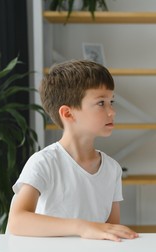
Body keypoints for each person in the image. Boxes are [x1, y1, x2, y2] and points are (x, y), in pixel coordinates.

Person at [7, 60, 138, 242]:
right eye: (101, 103)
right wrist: (81, 227)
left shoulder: (112, 168)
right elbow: (17, 221)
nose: (112, 111)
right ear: (68, 114)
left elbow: (110, 231)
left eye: (111, 102)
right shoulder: (44, 162)